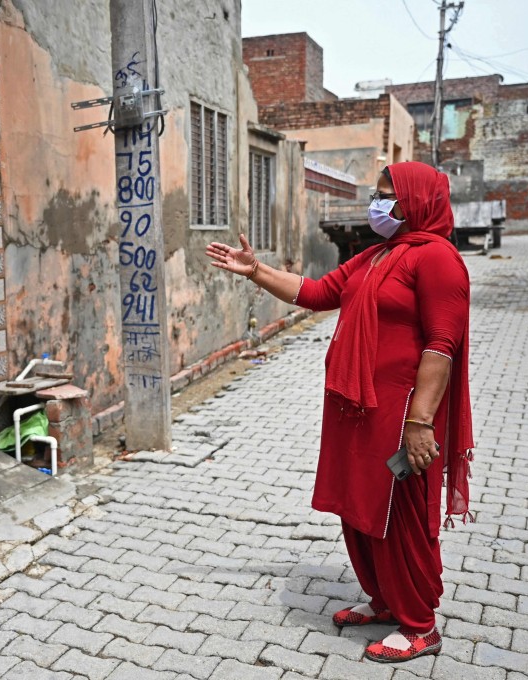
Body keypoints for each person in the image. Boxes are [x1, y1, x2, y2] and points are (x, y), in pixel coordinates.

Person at [206, 161, 473, 663]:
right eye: (376, 195)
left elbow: (442, 345)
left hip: (402, 418)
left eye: (387, 196)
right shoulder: (378, 255)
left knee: (400, 517)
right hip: (359, 413)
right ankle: (385, 601)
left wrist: (419, 423)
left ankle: (420, 625)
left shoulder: (437, 260)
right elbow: (318, 293)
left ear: (418, 201)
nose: (378, 205)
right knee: (361, 510)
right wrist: (256, 270)